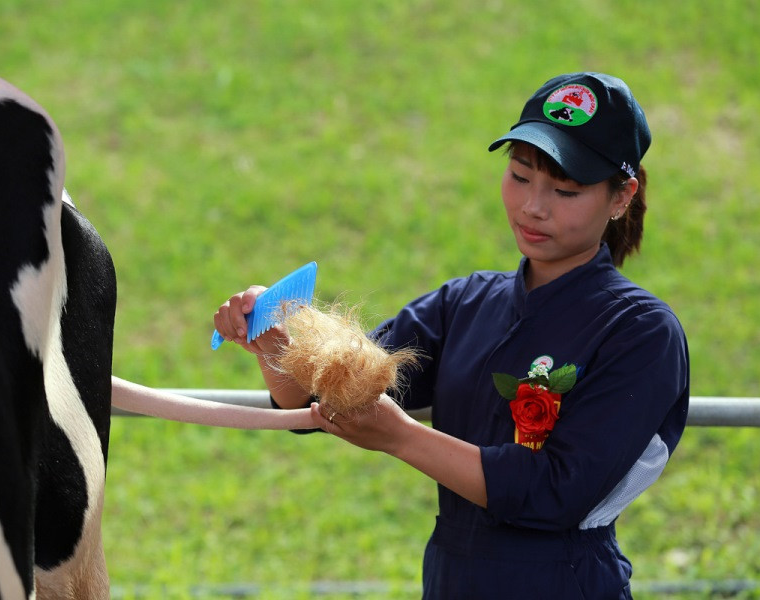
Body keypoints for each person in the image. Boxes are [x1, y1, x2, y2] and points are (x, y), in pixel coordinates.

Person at [213, 72, 689, 599]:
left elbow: (557, 494)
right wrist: (279, 343)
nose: (534, 206)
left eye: (566, 190)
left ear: (622, 197)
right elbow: (325, 404)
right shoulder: (464, 303)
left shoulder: (642, 332)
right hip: (450, 581)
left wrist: (402, 437)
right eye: (519, 175)